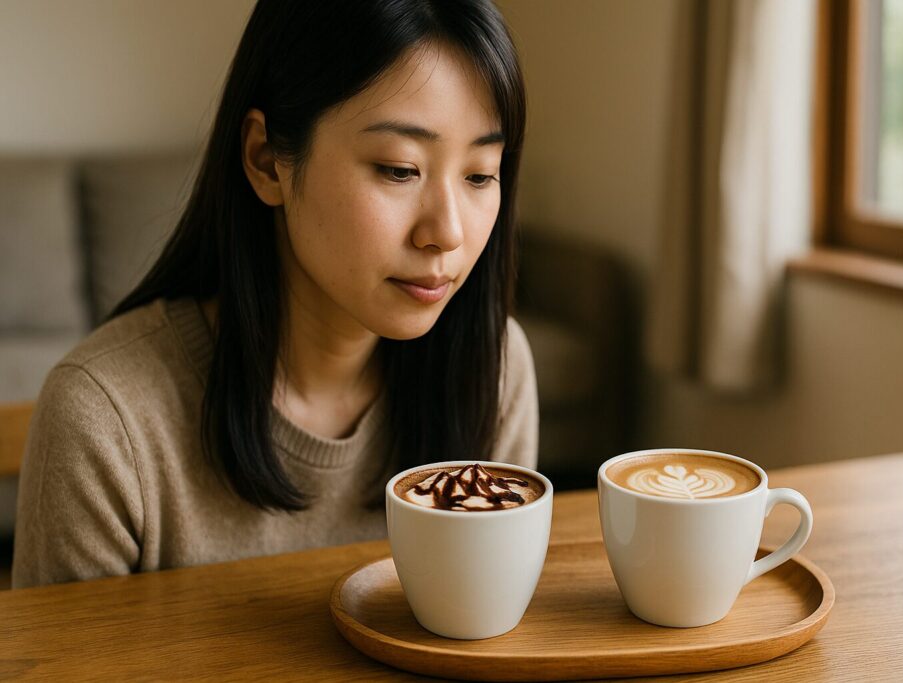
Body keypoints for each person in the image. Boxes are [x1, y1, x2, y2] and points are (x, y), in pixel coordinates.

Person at [13, 0, 537, 588]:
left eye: (479, 174)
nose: (448, 232)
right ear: (266, 161)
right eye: (399, 169)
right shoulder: (104, 420)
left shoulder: (493, 366)